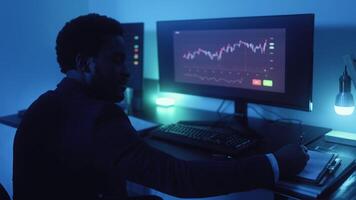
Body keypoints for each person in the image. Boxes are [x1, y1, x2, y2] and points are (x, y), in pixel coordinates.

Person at [13, 13, 309, 200]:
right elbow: (183, 180)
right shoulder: (99, 117)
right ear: (83, 63)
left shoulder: (42, 106)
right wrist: (276, 163)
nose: (127, 71)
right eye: (116, 60)